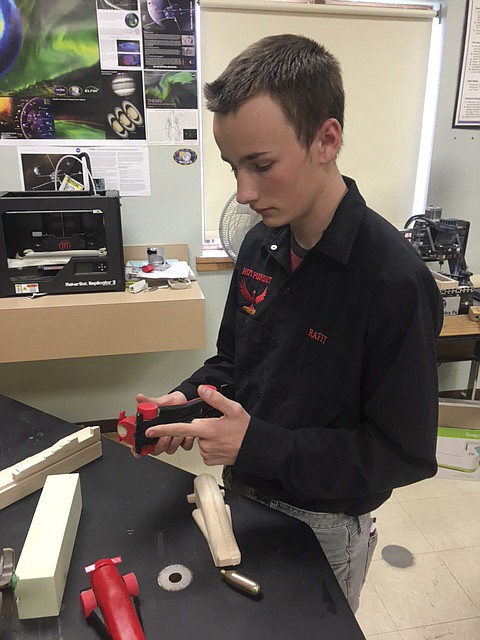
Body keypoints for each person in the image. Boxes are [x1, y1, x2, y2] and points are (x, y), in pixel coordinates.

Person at [135, 34, 444, 612]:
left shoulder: (392, 282)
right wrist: (185, 404)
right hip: (238, 495)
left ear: (327, 139)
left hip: (322, 527)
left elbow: (404, 453)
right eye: (233, 167)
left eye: (262, 165)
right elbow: (235, 362)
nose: (244, 193)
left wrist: (258, 444)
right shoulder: (259, 245)